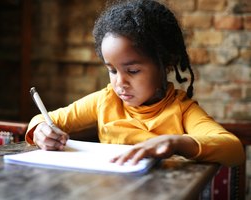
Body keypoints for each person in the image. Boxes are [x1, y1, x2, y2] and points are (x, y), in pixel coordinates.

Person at [25, 0, 245, 167]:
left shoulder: (181, 110)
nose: (120, 82)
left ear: (166, 63)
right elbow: (44, 119)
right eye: (112, 70)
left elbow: (233, 148)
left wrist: (175, 143)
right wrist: (40, 131)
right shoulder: (106, 100)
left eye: (133, 71)